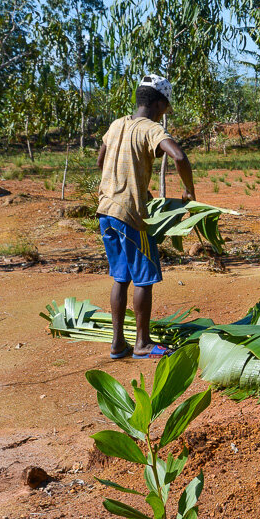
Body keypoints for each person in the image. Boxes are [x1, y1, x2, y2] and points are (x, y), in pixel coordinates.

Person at [96, 74, 195, 358]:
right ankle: (141, 344)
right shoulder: (150, 129)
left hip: (106, 211)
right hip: (130, 215)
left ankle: (117, 344)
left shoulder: (116, 125)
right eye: (165, 107)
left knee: (120, 278)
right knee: (143, 278)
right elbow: (178, 156)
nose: (165, 113)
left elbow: (101, 161)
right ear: (158, 103)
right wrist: (188, 191)